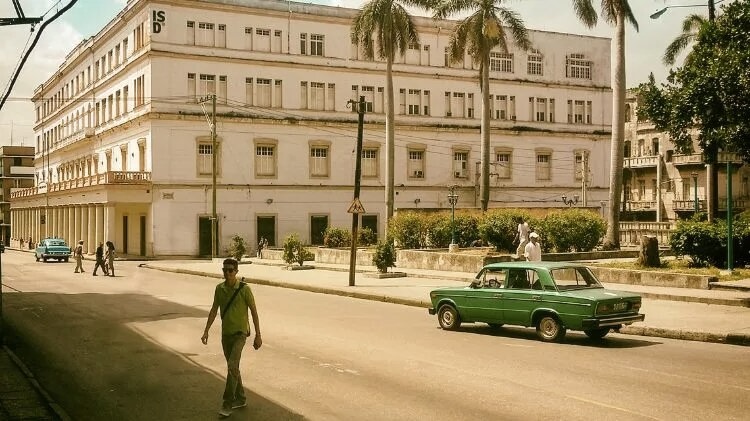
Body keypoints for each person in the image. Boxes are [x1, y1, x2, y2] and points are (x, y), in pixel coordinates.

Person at [202, 258, 262, 418]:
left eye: (230, 270)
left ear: (236, 272)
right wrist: (206, 330)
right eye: (225, 270)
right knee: (233, 367)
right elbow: (214, 310)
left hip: (240, 334)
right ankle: (241, 398)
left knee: (232, 365)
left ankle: (227, 403)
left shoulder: (244, 289)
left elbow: (254, 312)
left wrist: (258, 335)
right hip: (226, 334)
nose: (227, 273)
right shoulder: (219, 289)